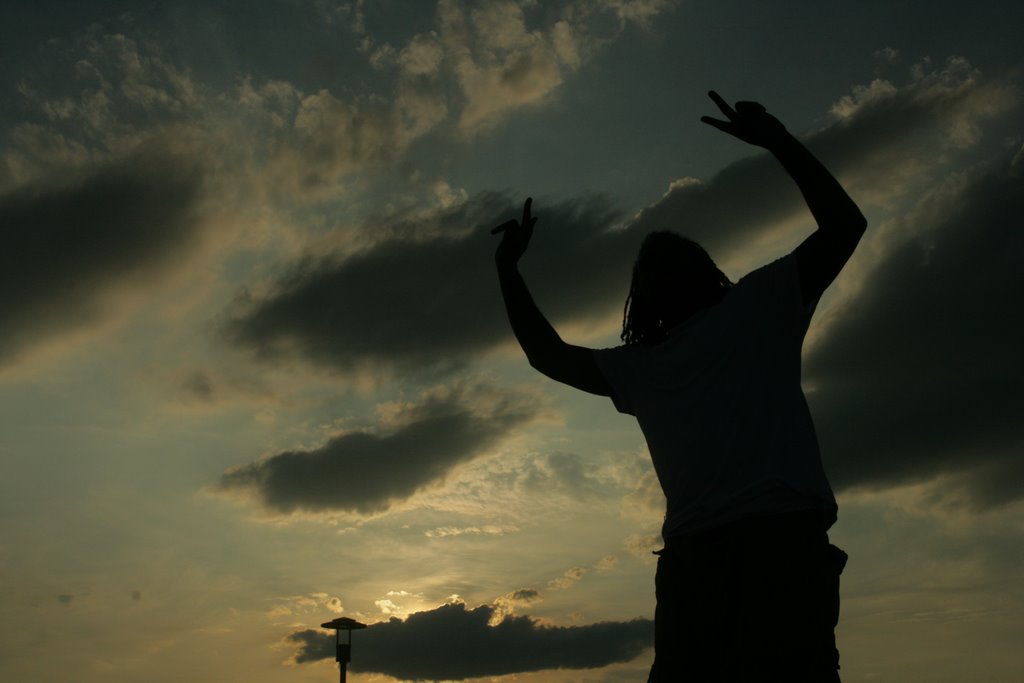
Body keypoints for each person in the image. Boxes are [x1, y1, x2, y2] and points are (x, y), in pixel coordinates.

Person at [492, 91, 865, 681]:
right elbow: (846, 225)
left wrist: (508, 269)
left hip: (703, 560)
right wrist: (778, 142)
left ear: (640, 298)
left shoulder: (645, 365)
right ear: (708, 271)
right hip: (781, 544)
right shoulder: (760, 304)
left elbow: (546, 354)